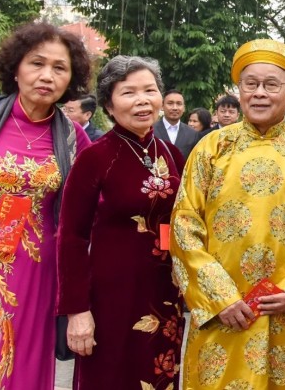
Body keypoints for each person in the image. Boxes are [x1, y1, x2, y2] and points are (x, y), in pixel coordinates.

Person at [171, 39, 285, 388]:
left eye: (271, 85)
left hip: (280, 311)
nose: (260, 94)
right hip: (222, 314)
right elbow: (184, 224)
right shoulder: (211, 148)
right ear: (240, 91)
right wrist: (220, 297)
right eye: (251, 84)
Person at [0, 21, 92, 389]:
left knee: (23, 364)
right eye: (37, 63)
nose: (47, 76)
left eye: (59, 68)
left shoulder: (73, 138)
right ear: (16, 68)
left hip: (37, 273)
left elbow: (98, 204)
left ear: (70, 79)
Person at [56, 56, 183, 388]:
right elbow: (71, 237)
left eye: (149, 90)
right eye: (128, 93)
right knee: (110, 376)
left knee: (160, 374)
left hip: (163, 292)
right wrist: (76, 311)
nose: (142, 100)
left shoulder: (173, 156)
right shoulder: (95, 158)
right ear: (109, 107)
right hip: (110, 296)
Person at [153, 88, 199, 162]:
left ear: (184, 108)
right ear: (162, 106)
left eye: (179, 104)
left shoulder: (192, 134)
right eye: (170, 103)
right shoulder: (151, 130)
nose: (175, 108)